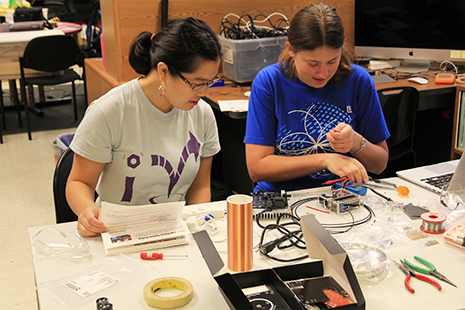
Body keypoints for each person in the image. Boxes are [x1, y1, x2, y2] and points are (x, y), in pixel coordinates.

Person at [66, 17, 222, 237]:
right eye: (196, 83)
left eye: (211, 81)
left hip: (174, 231)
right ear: (164, 72)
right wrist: (87, 210)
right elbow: (78, 181)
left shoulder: (202, 114)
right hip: (117, 232)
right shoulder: (110, 111)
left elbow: (200, 187)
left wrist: (194, 225)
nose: (204, 92)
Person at [244, 3, 390, 193]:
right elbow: (257, 168)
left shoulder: (358, 80)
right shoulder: (269, 82)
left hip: (343, 195)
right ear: (290, 49)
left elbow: (379, 165)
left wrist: (356, 143)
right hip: (283, 198)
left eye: (332, 61)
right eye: (313, 63)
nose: (323, 73)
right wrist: (325, 159)